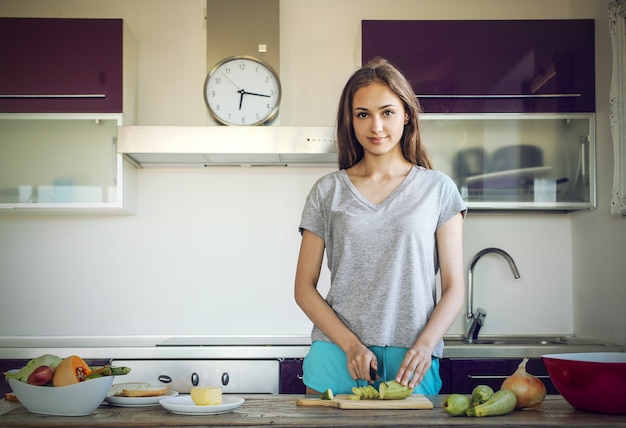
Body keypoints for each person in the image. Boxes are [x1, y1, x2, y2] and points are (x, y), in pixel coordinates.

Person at [294, 57, 467, 396]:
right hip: (337, 354)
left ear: (406, 115)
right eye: (363, 114)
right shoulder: (326, 191)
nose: (376, 126)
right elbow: (304, 287)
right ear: (351, 121)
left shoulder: (438, 189)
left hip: (412, 360)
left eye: (387, 112)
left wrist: (426, 346)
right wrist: (351, 345)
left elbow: (454, 287)